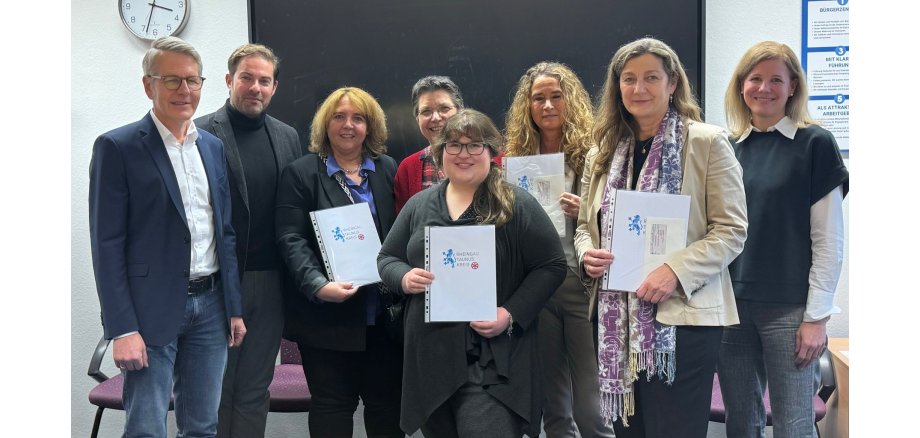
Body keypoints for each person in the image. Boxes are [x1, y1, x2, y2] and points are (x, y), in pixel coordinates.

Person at [575, 37, 747, 438]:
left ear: (673, 84)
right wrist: (587, 255)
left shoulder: (706, 141)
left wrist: (674, 270)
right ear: (617, 87)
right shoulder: (602, 149)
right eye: (629, 79)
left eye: (651, 77)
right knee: (627, 431)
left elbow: (731, 230)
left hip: (681, 318)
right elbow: (585, 225)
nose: (639, 89)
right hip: (615, 321)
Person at [88, 36, 246, 438]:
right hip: (148, 311)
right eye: (171, 81)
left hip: (211, 307)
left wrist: (233, 306)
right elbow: (106, 246)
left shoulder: (210, 146)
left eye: (192, 81)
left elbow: (223, 231)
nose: (185, 91)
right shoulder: (118, 147)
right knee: (146, 427)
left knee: (203, 426)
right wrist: (121, 329)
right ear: (148, 85)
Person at [378, 109, 567, 437]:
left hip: (491, 361)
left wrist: (510, 313)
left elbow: (551, 265)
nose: (464, 154)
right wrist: (404, 278)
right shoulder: (419, 205)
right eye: (453, 146)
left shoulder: (516, 204)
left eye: (474, 145)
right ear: (440, 154)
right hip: (430, 358)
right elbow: (387, 259)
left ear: (492, 153)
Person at [718, 41, 848, 438]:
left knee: (794, 425)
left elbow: (830, 241)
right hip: (730, 308)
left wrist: (817, 318)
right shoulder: (726, 148)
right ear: (742, 86)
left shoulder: (815, 144)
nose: (765, 88)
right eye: (755, 78)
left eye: (777, 79)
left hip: (791, 312)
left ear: (794, 87)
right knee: (742, 424)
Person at [276, 87, 403, 437]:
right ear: (325, 124)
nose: (348, 125)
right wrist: (317, 285)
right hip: (326, 316)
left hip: (384, 317)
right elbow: (291, 239)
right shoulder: (300, 173)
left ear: (370, 126)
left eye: (358, 118)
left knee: (387, 407)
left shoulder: (386, 169)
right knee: (332, 407)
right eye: (339, 116)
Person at [194, 43, 302, 438]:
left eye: (264, 80)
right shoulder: (201, 132)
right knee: (216, 387)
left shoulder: (288, 136)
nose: (255, 87)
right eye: (247, 78)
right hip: (218, 281)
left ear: (274, 87)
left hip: (271, 281)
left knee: (256, 388)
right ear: (228, 81)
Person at [504, 61, 613, 438]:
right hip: (536, 285)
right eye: (538, 98)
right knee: (554, 401)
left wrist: (584, 210)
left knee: (590, 402)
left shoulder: (595, 153)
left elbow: (616, 216)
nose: (547, 105)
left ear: (571, 102)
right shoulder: (516, 158)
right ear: (527, 106)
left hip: (580, 283)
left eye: (555, 96)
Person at [393, 75, 464, 212]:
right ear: (417, 119)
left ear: (460, 111)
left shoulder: (494, 159)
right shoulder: (407, 169)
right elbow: (406, 227)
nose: (436, 118)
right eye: (426, 111)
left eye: (444, 108)